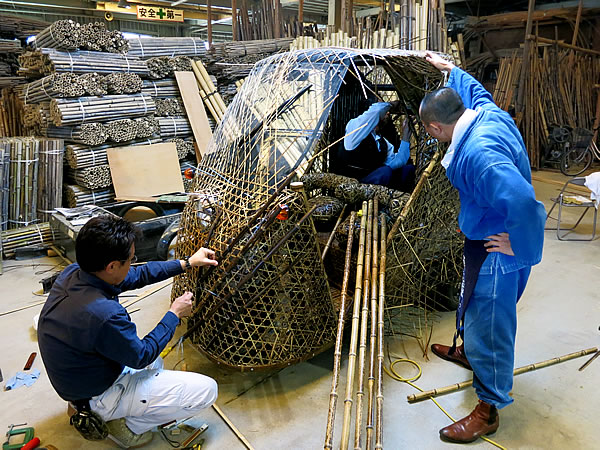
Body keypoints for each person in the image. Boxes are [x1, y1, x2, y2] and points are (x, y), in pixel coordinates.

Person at [419, 52, 546, 443]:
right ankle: (469, 354)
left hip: (498, 247)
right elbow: (476, 91)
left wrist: (520, 243)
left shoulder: (480, 155)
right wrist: (450, 70)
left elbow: (523, 202)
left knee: (489, 324)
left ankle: (489, 407)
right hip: (482, 235)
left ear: (437, 127)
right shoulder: (484, 113)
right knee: (469, 301)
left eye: (429, 131)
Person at [38, 214, 219, 448]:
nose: (133, 263)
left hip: (77, 381)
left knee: (156, 365)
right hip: (96, 393)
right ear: (112, 266)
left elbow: (138, 275)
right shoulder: (104, 315)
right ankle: (124, 426)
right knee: (205, 391)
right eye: (130, 259)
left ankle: (82, 407)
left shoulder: (74, 273)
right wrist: (174, 314)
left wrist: (186, 263)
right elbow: (141, 356)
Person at [340, 100, 416, 191]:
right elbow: (376, 111)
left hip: (374, 181)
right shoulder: (355, 130)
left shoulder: (382, 141)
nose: (388, 113)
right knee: (385, 172)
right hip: (354, 185)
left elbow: (397, 162)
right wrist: (391, 105)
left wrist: (405, 137)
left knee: (408, 169)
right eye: (386, 112)